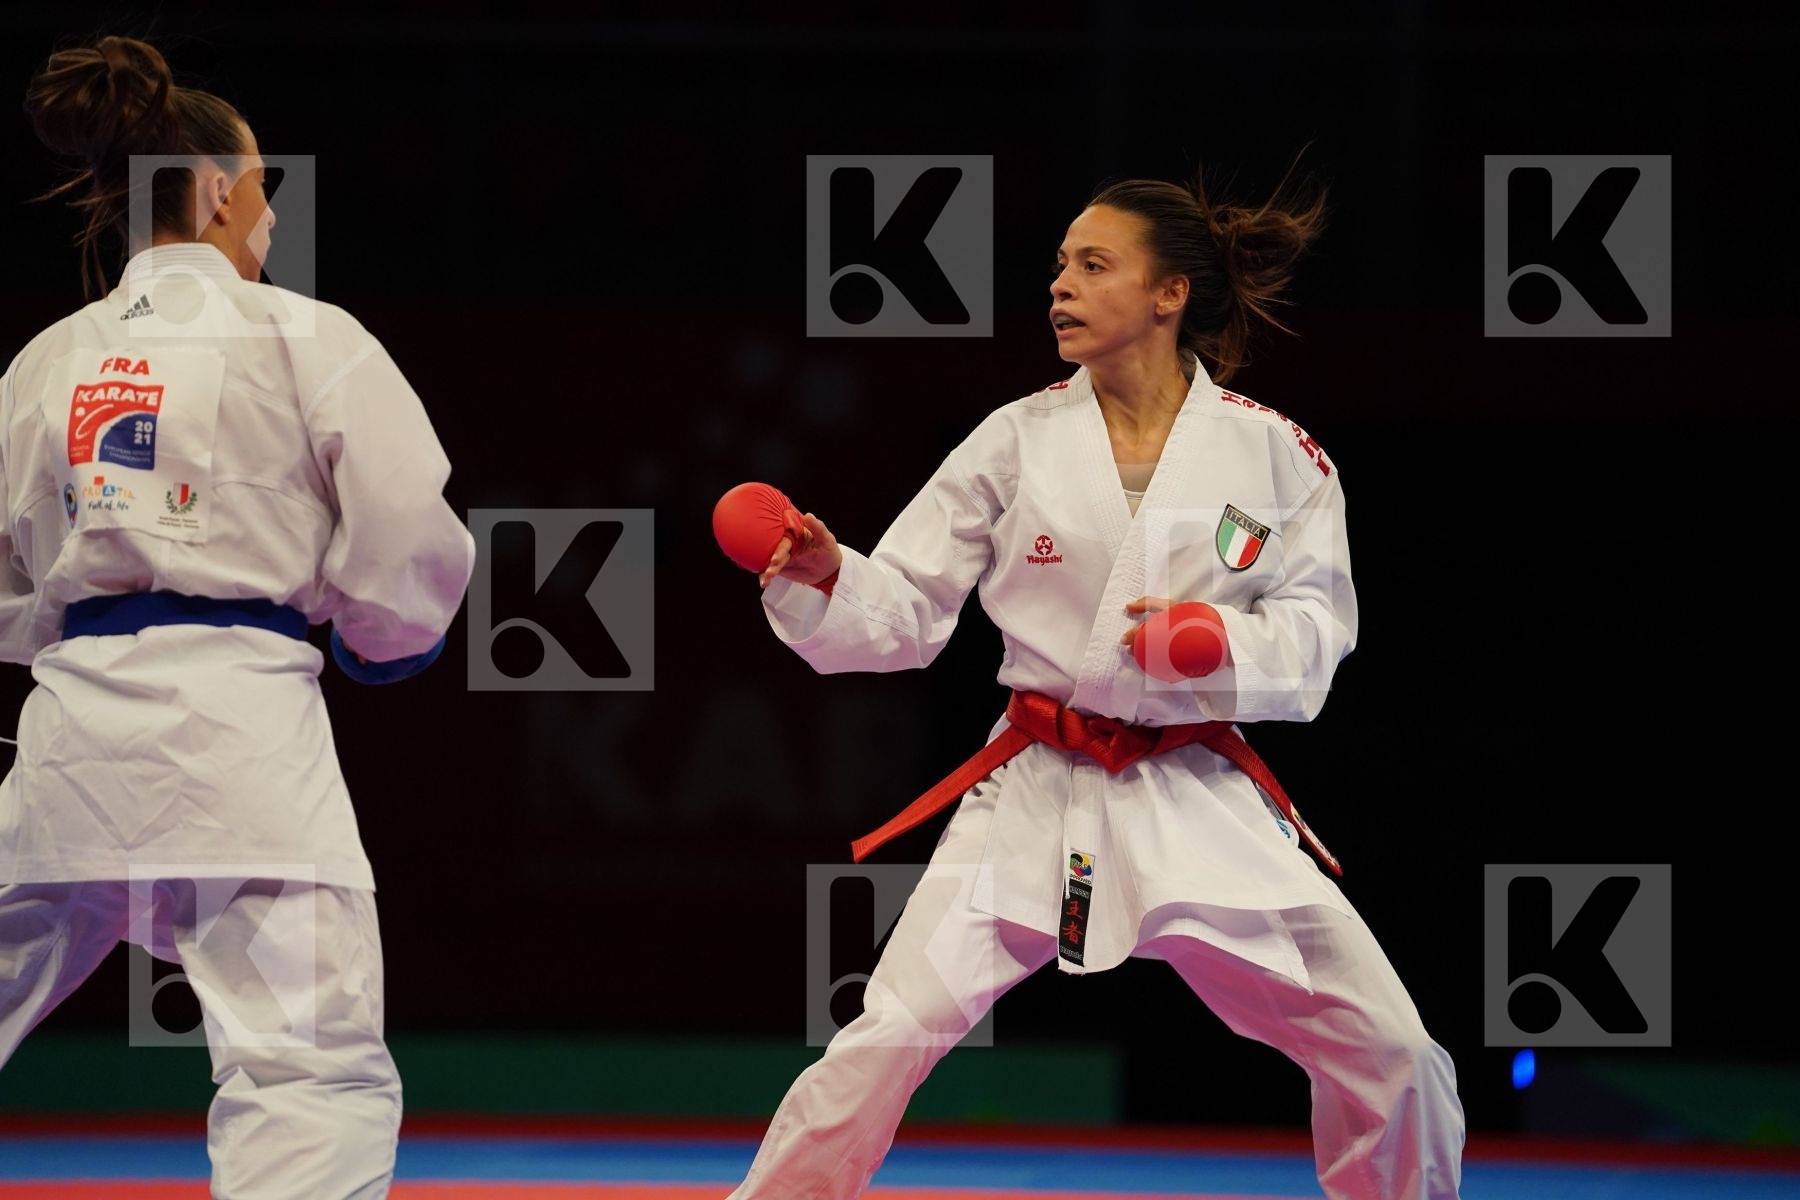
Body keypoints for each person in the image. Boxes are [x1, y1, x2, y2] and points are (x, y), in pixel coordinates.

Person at [734, 157, 1464, 1198]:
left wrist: (1216, 645)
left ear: (1169, 294)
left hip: (1197, 795)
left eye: (1092, 264)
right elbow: (905, 608)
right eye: (1058, 266)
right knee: (885, 1036)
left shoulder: (1277, 457)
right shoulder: (1014, 440)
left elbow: (1318, 629)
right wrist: (827, 572)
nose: (1059, 285)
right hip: (1038, 790)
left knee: (1393, 1054)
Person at [0, 35, 473, 1199]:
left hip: (71, 743)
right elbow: (410, 540)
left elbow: (15, 582)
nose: (267, 217)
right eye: (263, 188)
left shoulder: (46, 361)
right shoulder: (309, 336)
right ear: (217, 190)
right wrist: (381, 638)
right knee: (307, 1071)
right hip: (244, 744)